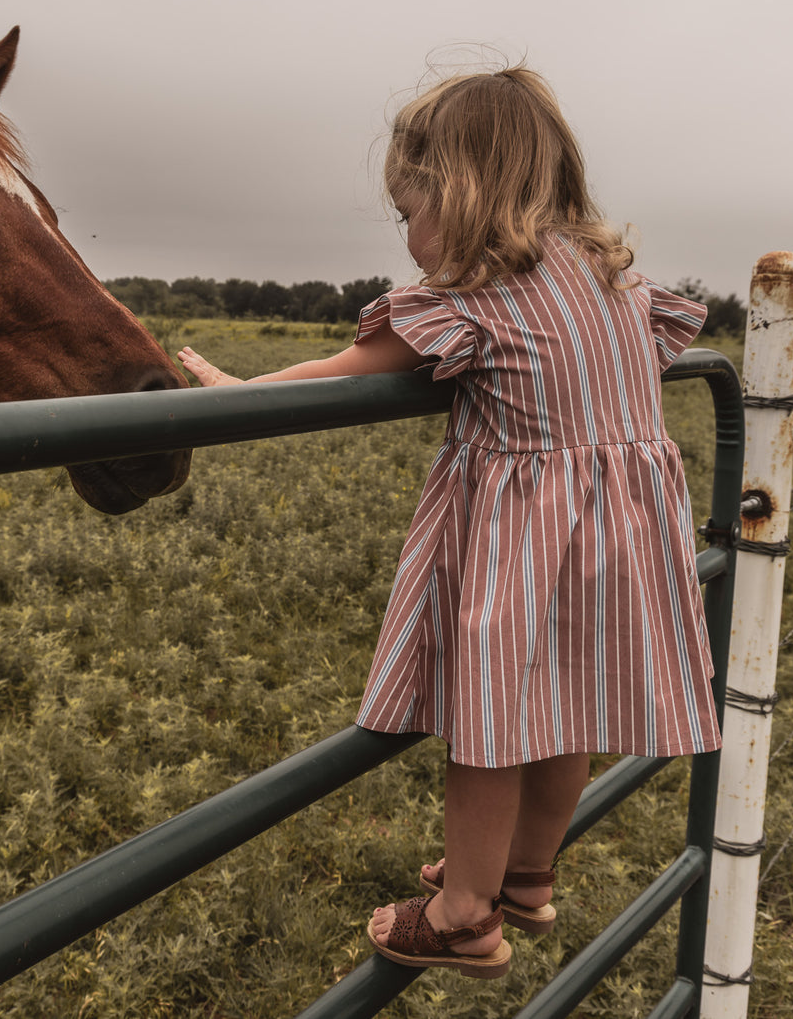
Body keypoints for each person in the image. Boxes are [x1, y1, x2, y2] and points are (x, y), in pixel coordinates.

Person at [177, 66, 717, 979]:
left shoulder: (473, 294)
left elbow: (353, 362)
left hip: (526, 542)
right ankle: (526, 876)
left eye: (407, 210)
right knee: (565, 708)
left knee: (491, 721)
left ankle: (465, 912)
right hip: (622, 538)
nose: (408, 237)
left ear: (460, 193)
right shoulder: (616, 281)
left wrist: (239, 393)